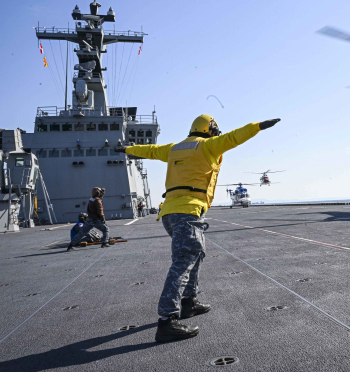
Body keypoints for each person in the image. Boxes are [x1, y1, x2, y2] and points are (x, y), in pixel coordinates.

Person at [115, 114, 280, 343]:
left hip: (170, 213)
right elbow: (235, 137)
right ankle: (167, 321)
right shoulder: (209, 145)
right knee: (183, 262)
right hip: (188, 211)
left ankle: (188, 302)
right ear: (210, 129)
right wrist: (258, 126)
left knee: (196, 254)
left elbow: (150, 150)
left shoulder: (173, 148)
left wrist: (126, 149)